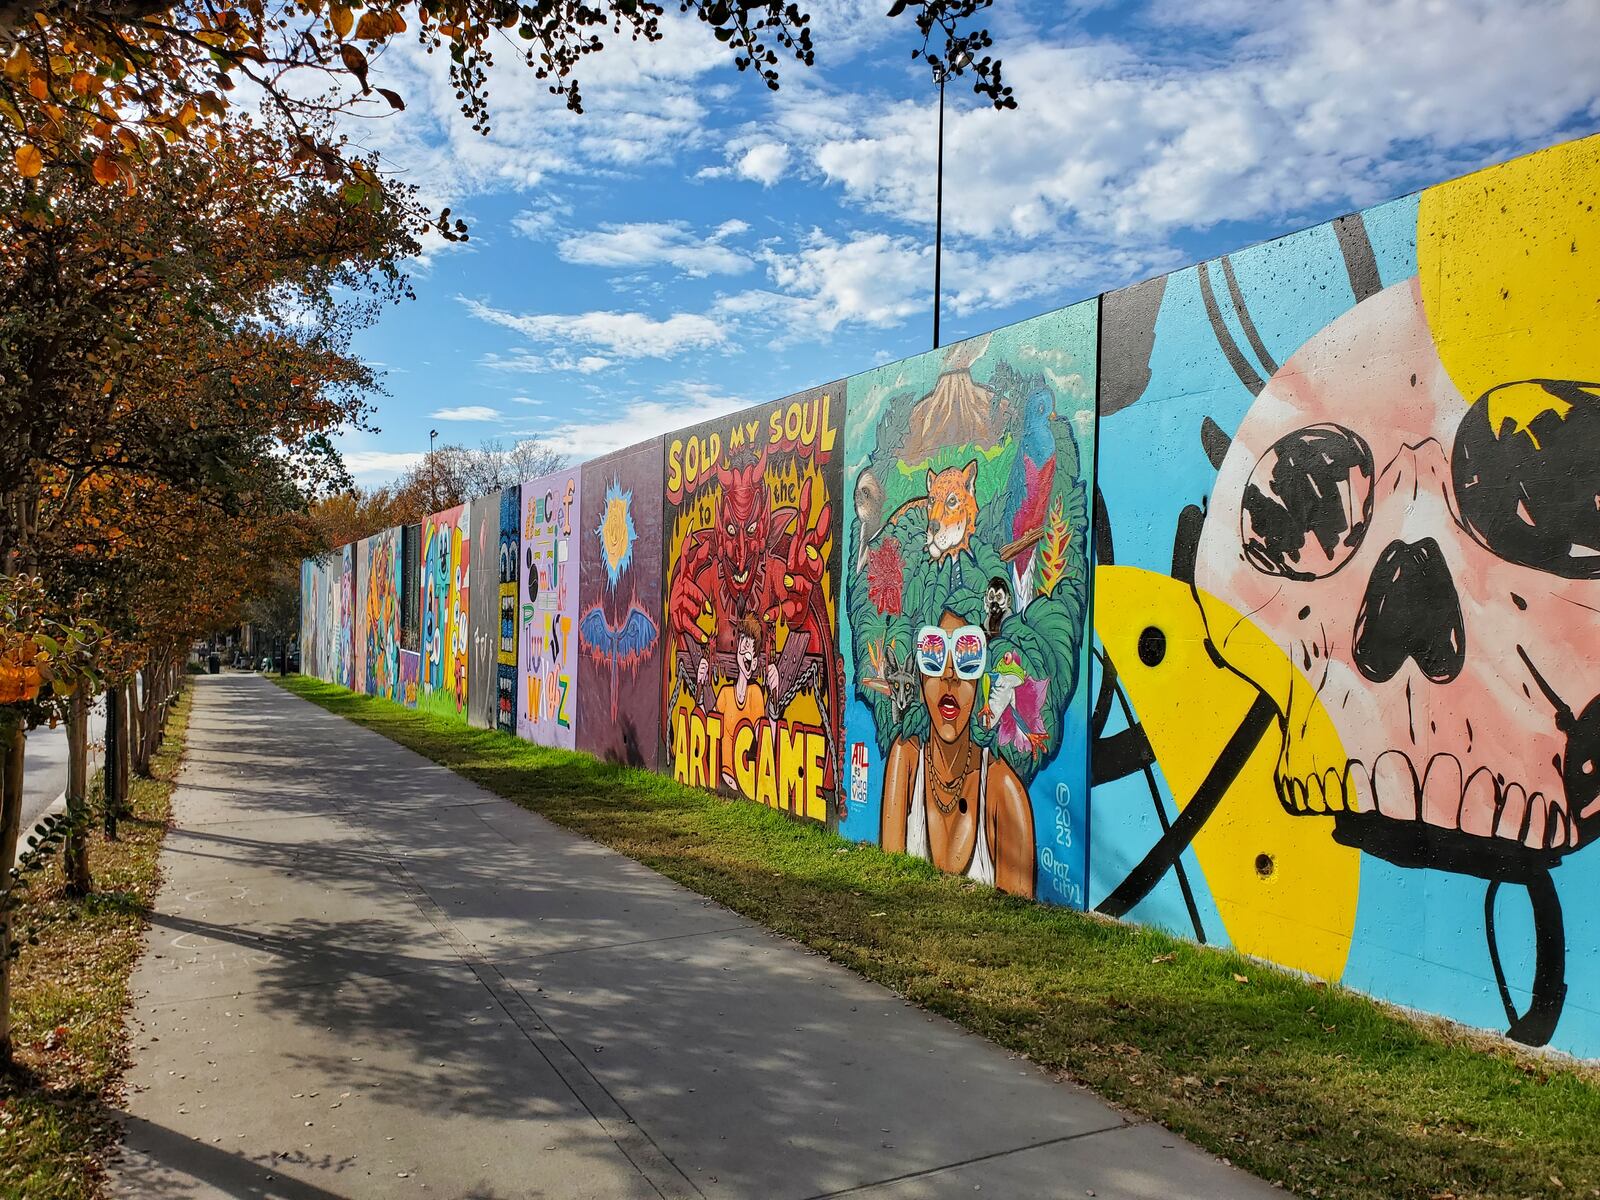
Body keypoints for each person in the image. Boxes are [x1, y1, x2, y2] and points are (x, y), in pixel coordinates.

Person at [880, 609, 1036, 897]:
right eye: (934, 652)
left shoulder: (1003, 792)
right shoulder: (906, 758)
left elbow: (1019, 921)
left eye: (967, 655)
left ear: (984, 676)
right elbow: (889, 883)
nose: (949, 674)